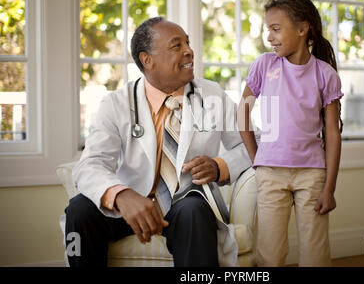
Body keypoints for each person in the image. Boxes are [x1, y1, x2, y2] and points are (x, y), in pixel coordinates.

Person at [64, 17, 251, 267]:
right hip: (129, 209)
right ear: (147, 60)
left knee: (193, 210)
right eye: (177, 46)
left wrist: (220, 166)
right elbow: (90, 165)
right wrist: (121, 195)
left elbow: (254, 145)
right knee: (79, 209)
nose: (189, 51)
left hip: (183, 205)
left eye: (188, 42)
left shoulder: (212, 95)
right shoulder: (116, 104)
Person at [237, 0, 344, 267]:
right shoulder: (264, 65)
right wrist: (257, 161)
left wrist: (329, 188)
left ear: (302, 28)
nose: (270, 37)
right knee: (270, 254)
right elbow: (242, 114)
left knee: (315, 254)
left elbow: (332, 133)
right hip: (270, 174)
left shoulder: (325, 74)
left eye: (276, 29)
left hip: (312, 175)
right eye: (268, 30)